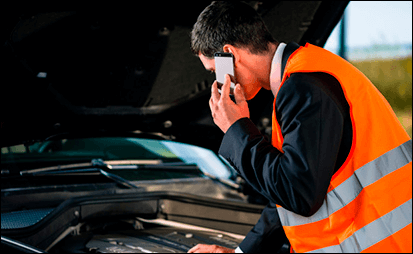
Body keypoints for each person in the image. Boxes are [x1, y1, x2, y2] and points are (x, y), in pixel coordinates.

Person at [188, 1, 412, 253]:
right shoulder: (302, 76)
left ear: (229, 54)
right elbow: (285, 199)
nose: (218, 82)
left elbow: (298, 194)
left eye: (213, 70)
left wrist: (236, 128)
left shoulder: (304, 87)